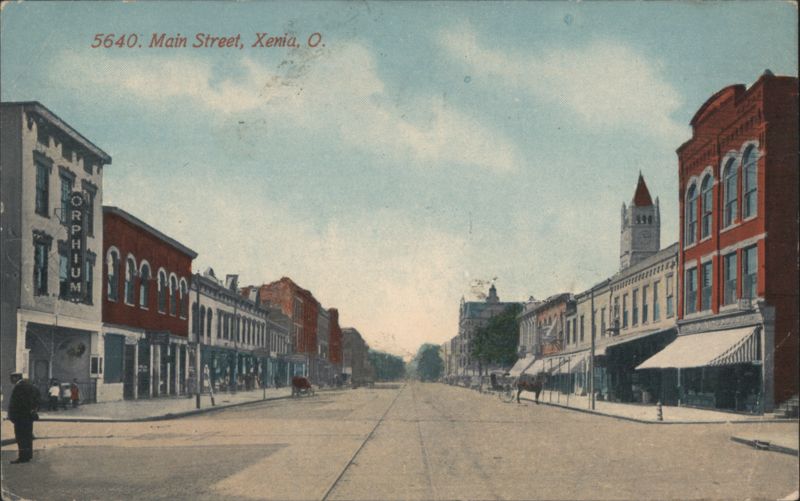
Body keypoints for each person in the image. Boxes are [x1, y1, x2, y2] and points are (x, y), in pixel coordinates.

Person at [8, 372, 40, 464]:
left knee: (21, 437)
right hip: (28, 416)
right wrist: (33, 409)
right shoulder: (30, 386)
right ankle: (28, 455)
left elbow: (15, 403)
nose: (11, 380)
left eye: (12, 377)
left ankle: (22, 457)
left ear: (17, 377)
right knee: (27, 436)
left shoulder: (19, 387)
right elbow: (37, 398)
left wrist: (12, 415)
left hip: (20, 416)